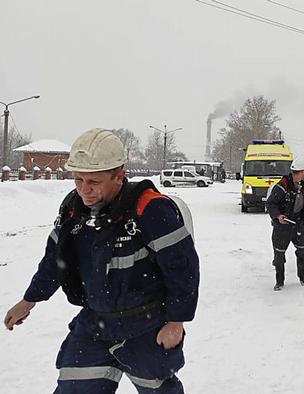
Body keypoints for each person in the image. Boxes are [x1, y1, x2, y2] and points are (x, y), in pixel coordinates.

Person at [3, 128, 200, 394]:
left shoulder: (151, 209)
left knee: (158, 389)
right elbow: (54, 260)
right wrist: (29, 300)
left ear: (119, 175)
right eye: (78, 180)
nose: (85, 190)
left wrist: (176, 322)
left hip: (146, 327)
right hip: (95, 325)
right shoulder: (73, 211)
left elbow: (182, 268)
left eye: (93, 182)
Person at [266, 158, 304, 291]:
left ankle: (301, 274)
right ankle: (279, 281)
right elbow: (270, 204)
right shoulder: (282, 186)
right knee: (279, 255)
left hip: (297, 224)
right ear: (298, 172)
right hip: (283, 225)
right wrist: (278, 216)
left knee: (303, 251)